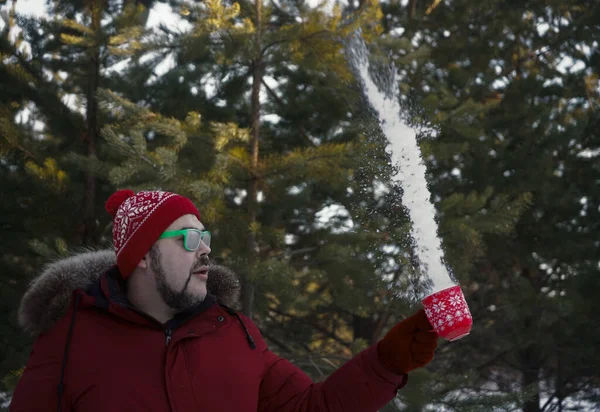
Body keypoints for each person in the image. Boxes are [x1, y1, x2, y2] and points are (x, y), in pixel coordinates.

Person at [10, 189, 439, 412]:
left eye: (206, 237)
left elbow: (313, 408)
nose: (205, 250)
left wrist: (385, 363)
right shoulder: (68, 343)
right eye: (189, 238)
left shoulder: (234, 334)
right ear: (142, 256)